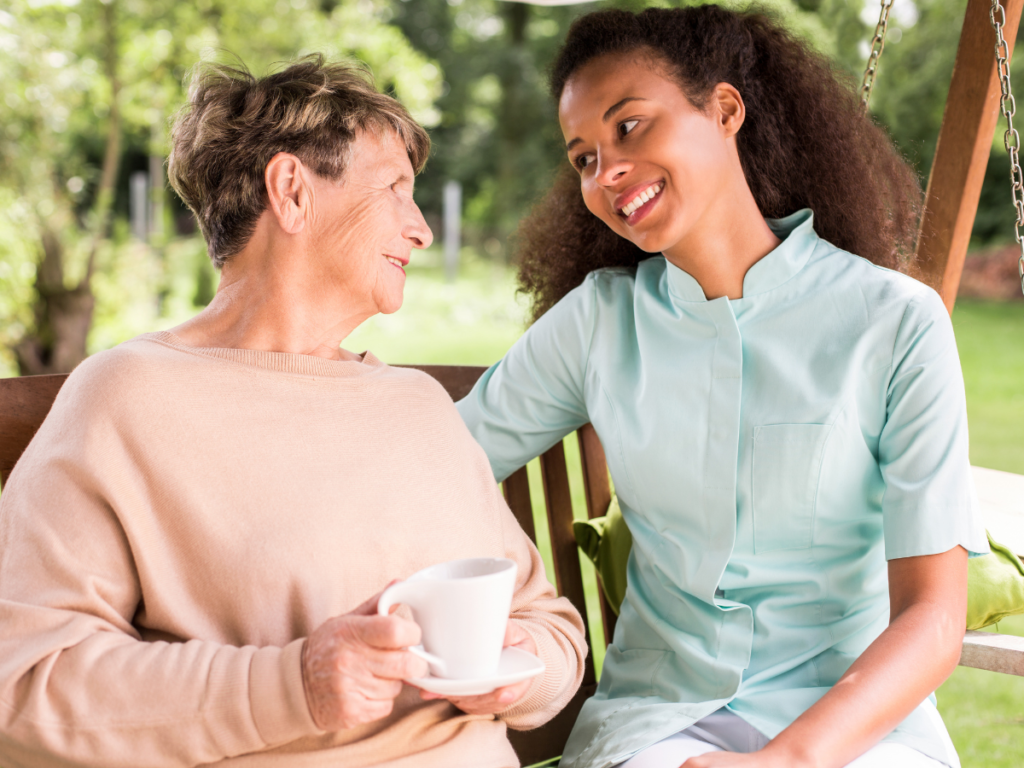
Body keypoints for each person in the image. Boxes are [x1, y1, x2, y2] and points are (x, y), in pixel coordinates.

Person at [0, 57, 586, 768]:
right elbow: (25, 685)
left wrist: (520, 671)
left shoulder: (419, 407)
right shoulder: (125, 398)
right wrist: (293, 685)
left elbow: (546, 622)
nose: (422, 229)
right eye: (397, 190)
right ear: (293, 191)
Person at [455, 7, 987, 768]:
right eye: (583, 158)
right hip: (657, 724)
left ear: (725, 110)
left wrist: (788, 760)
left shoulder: (894, 323)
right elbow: (442, 467)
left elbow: (934, 616)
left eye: (630, 127)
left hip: (858, 732)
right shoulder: (600, 324)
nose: (606, 172)